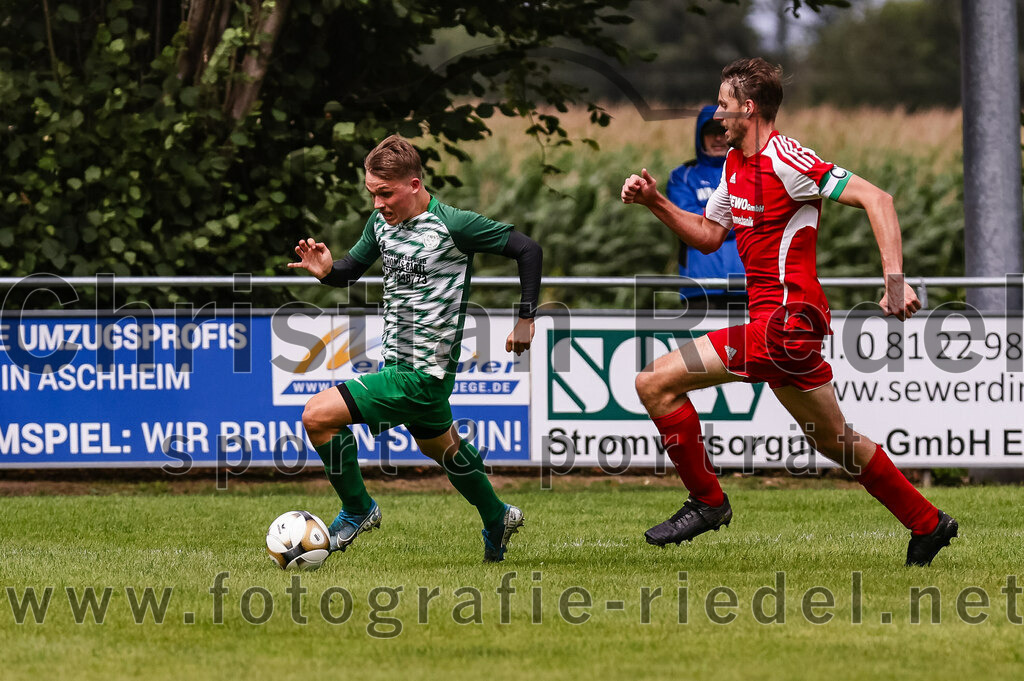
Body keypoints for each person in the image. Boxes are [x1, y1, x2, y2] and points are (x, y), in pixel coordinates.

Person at [620, 58, 958, 566]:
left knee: (655, 382)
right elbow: (710, 238)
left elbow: (878, 199)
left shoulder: (788, 160)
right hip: (778, 326)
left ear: (749, 109)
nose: (717, 113)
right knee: (835, 440)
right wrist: (655, 202)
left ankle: (709, 503)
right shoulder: (734, 164)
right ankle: (928, 523)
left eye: (724, 105)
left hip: (787, 324)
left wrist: (894, 281)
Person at [289, 135, 541, 562]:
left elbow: (527, 249)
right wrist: (328, 272)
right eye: (372, 193)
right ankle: (497, 516)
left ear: (413, 183)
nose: (377, 204)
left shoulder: (454, 224)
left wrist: (526, 317)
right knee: (441, 448)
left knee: (317, 416)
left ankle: (357, 509)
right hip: (401, 363)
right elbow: (351, 269)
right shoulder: (381, 225)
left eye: (385, 193)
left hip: (423, 373)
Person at [666, 105, 746, 306]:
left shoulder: (750, 171)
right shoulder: (681, 176)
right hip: (699, 289)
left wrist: (713, 219)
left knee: (749, 339)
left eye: (722, 131)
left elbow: (763, 217)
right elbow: (690, 222)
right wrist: (740, 215)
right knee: (700, 340)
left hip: (748, 286)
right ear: (699, 136)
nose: (718, 138)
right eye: (710, 132)